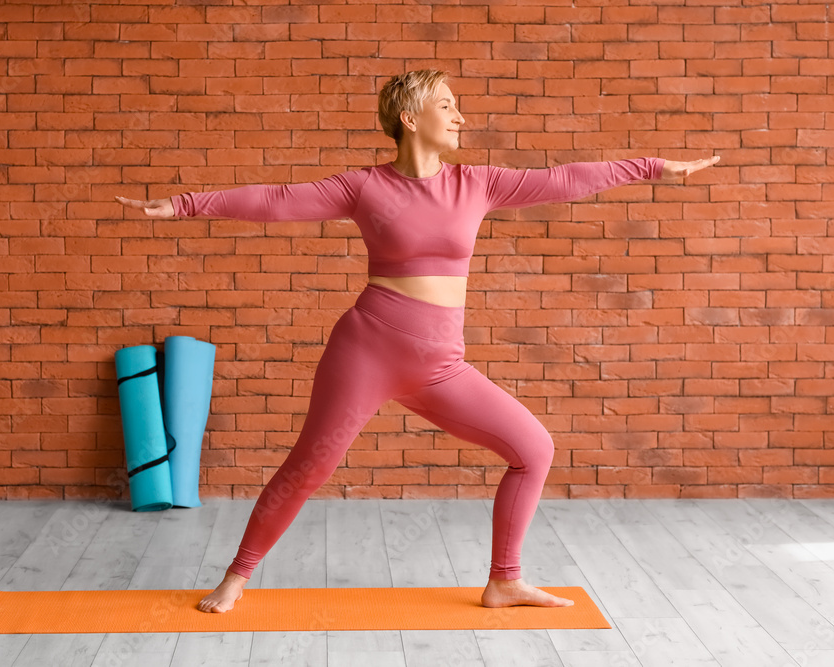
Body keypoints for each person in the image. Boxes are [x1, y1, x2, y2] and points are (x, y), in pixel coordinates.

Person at [116, 69, 720, 614]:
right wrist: (184, 205)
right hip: (368, 350)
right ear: (411, 117)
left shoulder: (478, 184)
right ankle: (237, 577)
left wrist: (653, 167)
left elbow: (563, 180)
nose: (461, 117)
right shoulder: (364, 187)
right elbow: (276, 201)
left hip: (439, 365)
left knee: (534, 449)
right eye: (449, 106)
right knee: (309, 466)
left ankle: (504, 581)